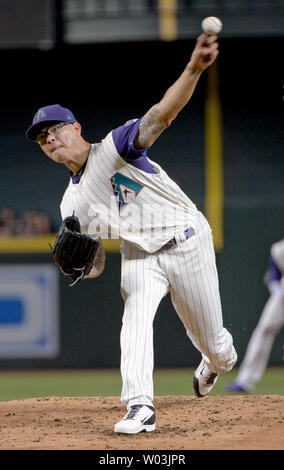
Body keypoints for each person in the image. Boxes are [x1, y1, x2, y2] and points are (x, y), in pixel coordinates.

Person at [26, 34, 237, 434]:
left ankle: (215, 361)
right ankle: (139, 407)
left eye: (54, 129)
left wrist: (194, 69)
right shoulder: (68, 206)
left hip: (187, 240)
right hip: (140, 255)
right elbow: (98, 262)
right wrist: (85, 268)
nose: (49, 138)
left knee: (217, 347)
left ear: (75, 127)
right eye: (41, 137)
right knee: (135, 315)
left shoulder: (115, 148)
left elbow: (163, 114)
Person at [227, 239, 284, 394]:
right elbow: (274, 278)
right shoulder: (279, 250)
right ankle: (245, 382)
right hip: (282, 298)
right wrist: (279, 293)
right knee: (263, 331)